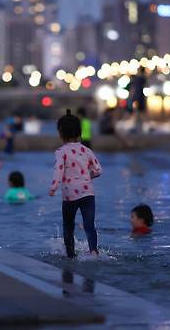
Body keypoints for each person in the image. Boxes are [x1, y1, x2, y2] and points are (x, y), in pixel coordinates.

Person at [49, 109, 103, 258]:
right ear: (79, 132)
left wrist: (53, 187)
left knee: (68, 226)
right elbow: (98, 170)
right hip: (87, 193)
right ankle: (93, 251)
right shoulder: (86, 150)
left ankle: (70, 255)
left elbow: (59, 170)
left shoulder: (61, 151)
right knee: (89, 224)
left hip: (69, 195)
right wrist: (86, 178)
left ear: (60, 134)